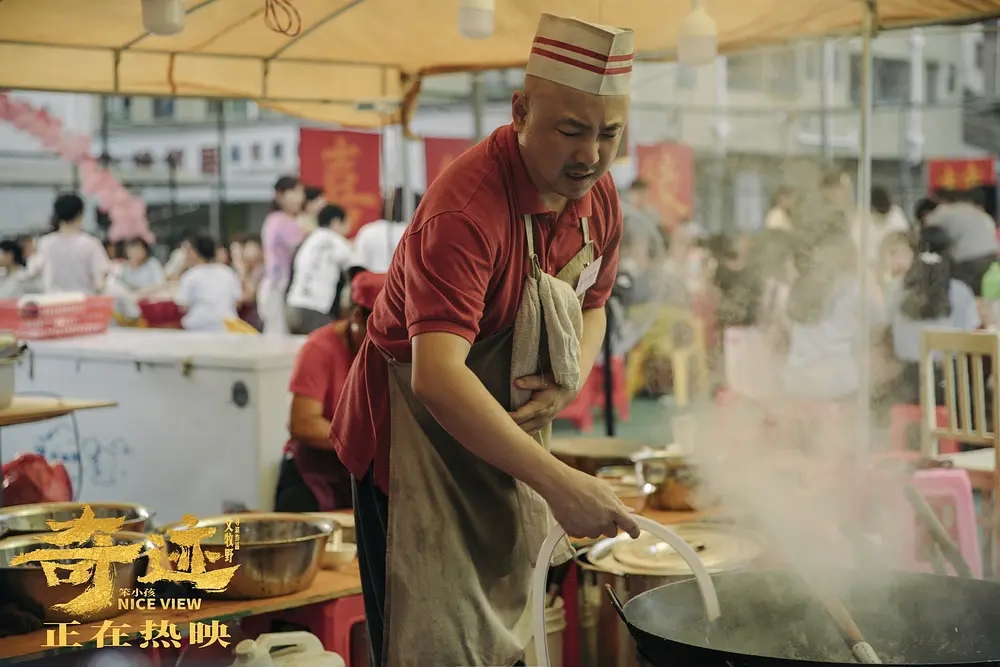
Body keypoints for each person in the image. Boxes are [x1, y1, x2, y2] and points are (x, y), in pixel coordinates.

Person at [331, 14, 639, 667]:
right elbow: (437, 377)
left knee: (504, 633)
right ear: (521, 110)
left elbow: (596, 305)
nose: (591, 154)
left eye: (609, 133)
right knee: (432, 641)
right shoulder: (466, 208)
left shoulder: (599, 196)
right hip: (413, 448)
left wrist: (570, 377)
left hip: (502, 440)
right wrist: (560, 482)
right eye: (571, 130)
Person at [276, 270, 386, 512]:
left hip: (363, 478)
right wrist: (368, 444)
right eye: (381, 328)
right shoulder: (320, 349)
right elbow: (303, 423)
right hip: (314, 477)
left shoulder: (394, 354)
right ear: (357, 317)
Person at [884, 226, 979, 405]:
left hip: (906, 387)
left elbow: (885, 326)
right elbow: (970, 340)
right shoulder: (961, 291)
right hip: (948, 390)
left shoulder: (895, 288)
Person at [285, 204, 353, 335]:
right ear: (336, 223)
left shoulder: (308, 240)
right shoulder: (337, 241)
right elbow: (356, 269)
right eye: (346, 223)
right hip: (315, 310)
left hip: (292, 307)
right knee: (334, 342)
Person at [31, 193, 110, 294]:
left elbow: (34, 271)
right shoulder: (90, 244)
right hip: (83, 301)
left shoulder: (45, 243)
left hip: (53, 302)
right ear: (80, 215)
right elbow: (100, 280)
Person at [926, 188, 998, 296]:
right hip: (992, 257)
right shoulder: (974, 209)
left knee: (965, 293)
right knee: (987, 294)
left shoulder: (943, 211)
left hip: (968, 260)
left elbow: (928, 230)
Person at [259, 176, 307, 335]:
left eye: (301, 193)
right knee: (278, 337)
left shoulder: (279, 219)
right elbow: (302, 246)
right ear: (280, 195)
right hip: (278, 286)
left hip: (277, 285)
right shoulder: (281, 221)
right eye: (294, 192)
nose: (300, 198)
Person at [175, 236, 242, 332]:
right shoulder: (228, 273)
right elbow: (237, 302)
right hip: (227, 328)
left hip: (198, 328)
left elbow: (183, 306)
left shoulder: (190, 275)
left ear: (195, 252)